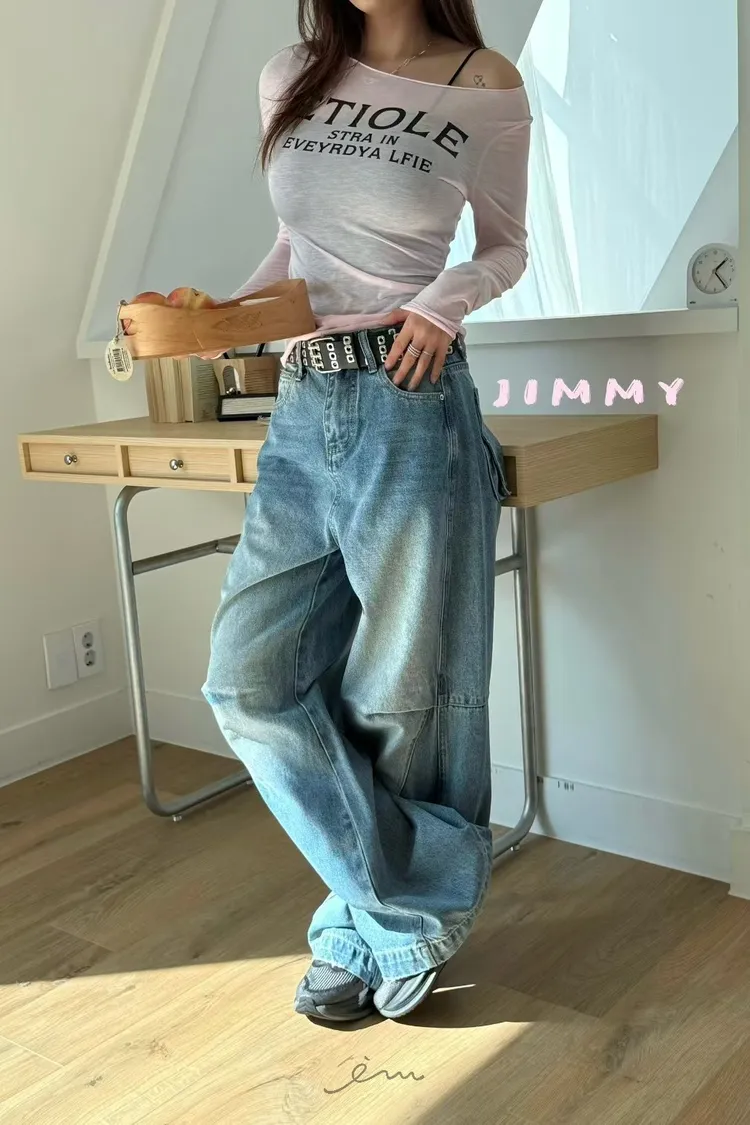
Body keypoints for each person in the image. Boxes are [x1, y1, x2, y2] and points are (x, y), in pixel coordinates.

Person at [203, 0, 531, 1024]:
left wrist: (442, 302)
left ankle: (358, 934)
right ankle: (410, 910)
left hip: (409, 391)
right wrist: (220, 317)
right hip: (302, 403)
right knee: (248, 681)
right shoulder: (291, 72)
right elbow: (295, 248)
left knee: (402, 691)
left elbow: (509, 246)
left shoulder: (482, 80)